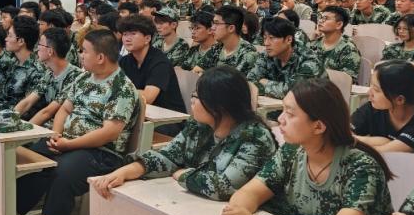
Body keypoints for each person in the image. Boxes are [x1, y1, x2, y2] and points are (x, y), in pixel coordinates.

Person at [15, 30, 140, 215]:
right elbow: (64, 110)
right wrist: (56, 135)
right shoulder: (84, 78)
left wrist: (68, 145)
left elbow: (109, 133)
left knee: (61, 174)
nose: (80, 55)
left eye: (84, 51)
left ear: (101, 57)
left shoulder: (122, 88)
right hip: (67, 143)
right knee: (29, 157)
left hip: (101, 153)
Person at [221, 78, 394, 215]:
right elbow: (250, 192)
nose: (280, 119)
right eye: (282, 110)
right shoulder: (291, 151)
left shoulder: (361, 167)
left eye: (290, 114)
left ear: (318, 127)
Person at [90, 65, 277, 201]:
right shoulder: (199, 125)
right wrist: (127, 171)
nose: (192, 101)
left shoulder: (255, 137)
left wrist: (183, 175)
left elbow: (224, 187)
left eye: (197, 96)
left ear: (220, 105)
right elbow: (168, 156)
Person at [352, 60, 414, 153]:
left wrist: (355, 140)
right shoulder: (373, 107)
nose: (369, 93)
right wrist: (383, 141)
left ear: (400, 100)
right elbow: (345, 135)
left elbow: (385, 154)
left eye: (376, 90)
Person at [248, 17, 325, 100]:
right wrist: (279, 87)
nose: (266, 43)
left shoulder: (309, 61)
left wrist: (265, 82)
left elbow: (293, 93)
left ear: (289, 40)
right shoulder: (266, 55)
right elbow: (250, 81)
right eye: (265, 38)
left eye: (272, 38)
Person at [116, 14, 182, 112]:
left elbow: (147, 97)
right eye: (125, 34)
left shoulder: (160, 62)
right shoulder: (125, 61)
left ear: (147, 39)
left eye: (133, 34)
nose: (127, 39)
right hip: (138, 111)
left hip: (168, 116)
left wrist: (119, 91)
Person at [26, 27, 84, 128]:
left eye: (40, 44)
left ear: (50, 51)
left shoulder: (75, 76)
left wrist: (24, 132)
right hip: (47, 126)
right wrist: (11, 118)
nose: (37, 48)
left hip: (60, 129)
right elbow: (29, 101)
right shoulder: (49, 73)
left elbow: (47, 112)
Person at [4, 15, 46, 113]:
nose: (6, 39)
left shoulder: (36, 71)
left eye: (10, 36)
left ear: (21, 41)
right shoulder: (12, 62)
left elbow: (29, 110)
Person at [310, 6, 361, 80]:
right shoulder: (314, 43)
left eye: (326, 18)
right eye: (321, 18)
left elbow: (347, 80)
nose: (320, 21)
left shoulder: (348, 49)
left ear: (339, 25)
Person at [213, 5, 259, 75]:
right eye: (213, 23)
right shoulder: (217, 47)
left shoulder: (248, 53)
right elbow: (197, 70)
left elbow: (233, 80)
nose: (212, 28)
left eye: (216, 23)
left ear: (231, 28)